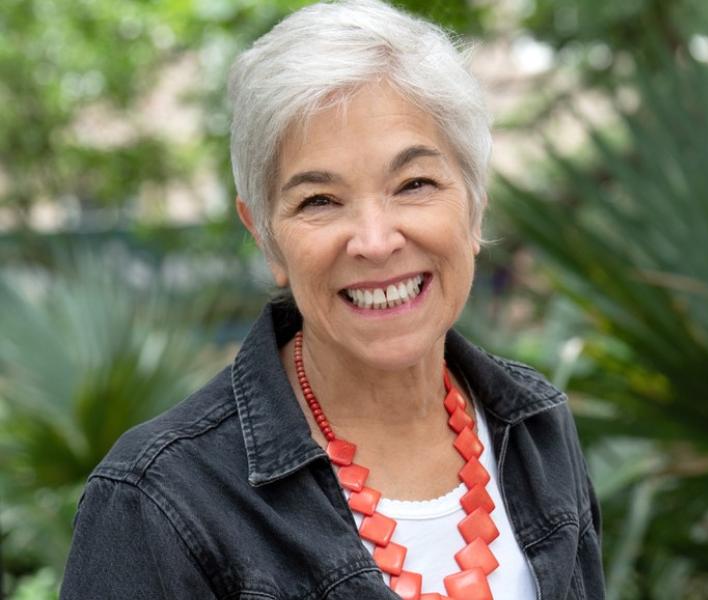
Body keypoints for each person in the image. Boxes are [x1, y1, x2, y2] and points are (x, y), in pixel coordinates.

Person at [60, 1, 604, 598]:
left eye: (414, 184)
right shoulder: (158, 500)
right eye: (319, 200)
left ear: (474, 206)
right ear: (266, 237)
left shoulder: (537, 428)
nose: (375, 241)